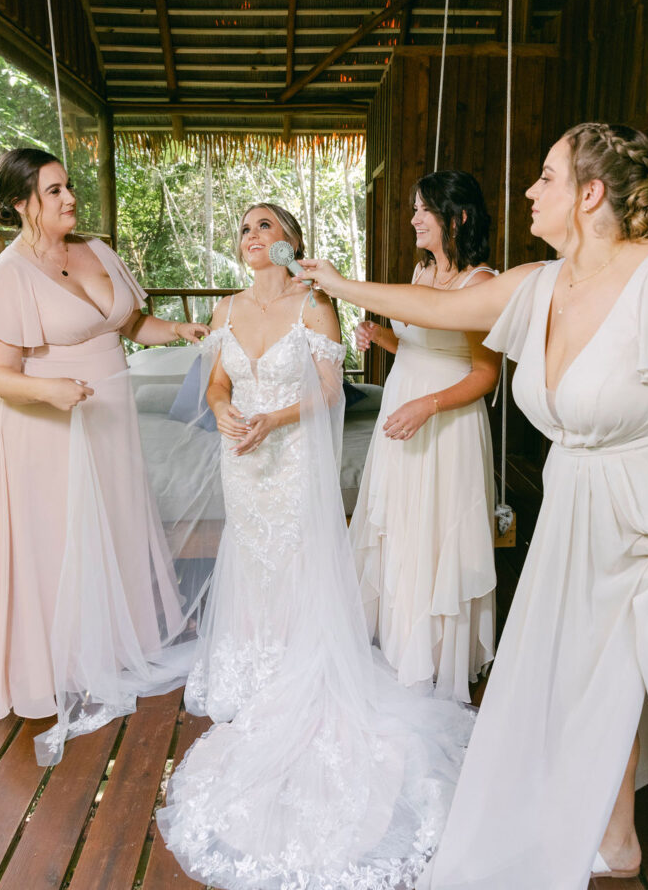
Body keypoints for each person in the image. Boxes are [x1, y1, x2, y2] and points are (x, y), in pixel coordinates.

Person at [298, 123, 648, 889]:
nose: (529, 190)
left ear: (590, 195)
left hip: (642, 516)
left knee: (631, 668)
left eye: (546, 177)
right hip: (575, 511)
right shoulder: (537, 283)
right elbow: (429, 310)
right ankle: (618, 838)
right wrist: (338, 284)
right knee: (594, 677)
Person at [156, 202, 475, 890]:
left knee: (296, 557)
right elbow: (215, 382)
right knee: (252, 558)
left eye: (265, 225)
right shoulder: (226, 311)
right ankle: (256, 657)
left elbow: (330, 392)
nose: (252, 236)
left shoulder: (315, 308)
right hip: (241, 461)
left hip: (292, 455)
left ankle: (305, 660)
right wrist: (223, 411)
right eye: (242, 228)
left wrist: (271, 418)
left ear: (292, 242)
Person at [0, 147, 209, 761]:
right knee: (59, 537)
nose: (69, 198)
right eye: (53, 191)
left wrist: (180, 331)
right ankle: (60, 659)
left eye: (67, 186)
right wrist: (51, 391)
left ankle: (119, 640)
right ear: (21, 203)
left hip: (109, 417)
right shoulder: (5, 277)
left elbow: (130, 326)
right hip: (46, 425)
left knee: (118, 524)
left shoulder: (97, 251)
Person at [351, 170, 500, 702]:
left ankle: (437, 654)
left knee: (438, 529)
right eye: (414, 208)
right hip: (404, 406)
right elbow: (417, 346)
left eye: (424, 210)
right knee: (404, 524)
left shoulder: (481, 283)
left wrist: (428, 406)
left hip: (447, 422)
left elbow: (485, 374)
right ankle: (399, 639)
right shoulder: (420, 274)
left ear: (456, 217)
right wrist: (382, 337)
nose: (413, 219)